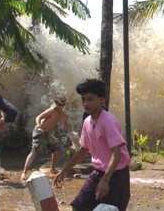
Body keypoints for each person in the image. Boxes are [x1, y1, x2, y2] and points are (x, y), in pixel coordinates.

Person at [54, 79, 131, 211]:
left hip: (116, 175)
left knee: (110, 209)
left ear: (102, 100)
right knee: (78, 207)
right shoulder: (87, 122)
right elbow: (84, 150)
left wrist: (105, 181)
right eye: (83, 99)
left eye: (90, 99)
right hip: (98, 172)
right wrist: (65, 170)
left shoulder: (108, 121)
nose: (85, 103)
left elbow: (116, 154)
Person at [21, 96, 70, 181]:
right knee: (35, 151)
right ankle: (24, 172)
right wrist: (39, 125)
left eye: (61, 104)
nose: (58, 106)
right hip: (40, 131)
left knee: (57, 150)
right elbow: (38, 117)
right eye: (57, 104)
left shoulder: (63, 114)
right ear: (55, 103)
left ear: (63, 105)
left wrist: (68, 132)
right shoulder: (51, 110)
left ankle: (52, 168)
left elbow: (65, 125)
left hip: (50, 133)